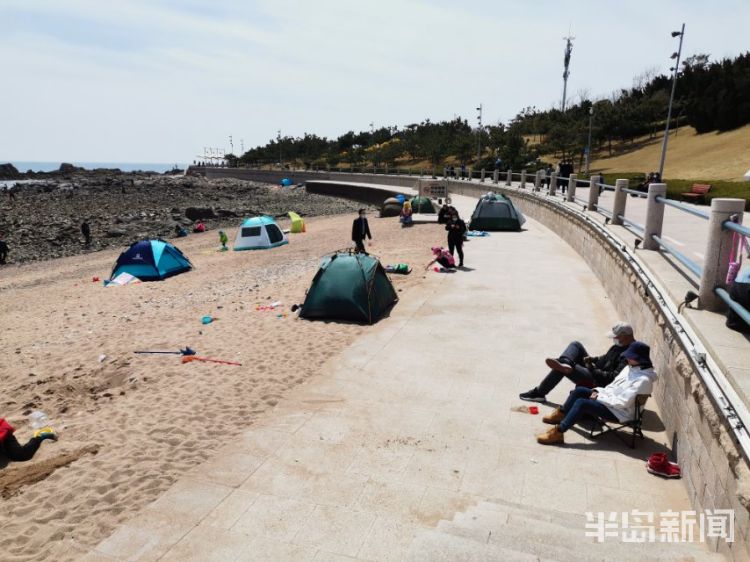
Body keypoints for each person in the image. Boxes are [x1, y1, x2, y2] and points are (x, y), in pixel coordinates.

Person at [536, 342, 656, 445]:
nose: (627, 359)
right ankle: (562, 414)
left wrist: (599, 397)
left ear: (640, 359)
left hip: (621, 412)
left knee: (582, 403)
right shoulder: (630, 368)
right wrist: (598, 391)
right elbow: (613, 386)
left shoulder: (643, 381)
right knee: (580, 390)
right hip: (610, 402)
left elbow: (623, 403)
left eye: (631, 357)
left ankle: (559, 432)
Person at [519, 322, 635, 403]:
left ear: (625, 336)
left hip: (598, 382)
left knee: (565, 368)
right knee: (576, 345)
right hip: (596, 370)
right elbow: (605, 358)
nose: (614, 339)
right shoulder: (620, 346)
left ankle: (540, 392)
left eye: (617, 337)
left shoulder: (630, 356)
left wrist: (592, 369)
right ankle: (565, 363)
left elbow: (612, 379)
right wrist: (592, 360)